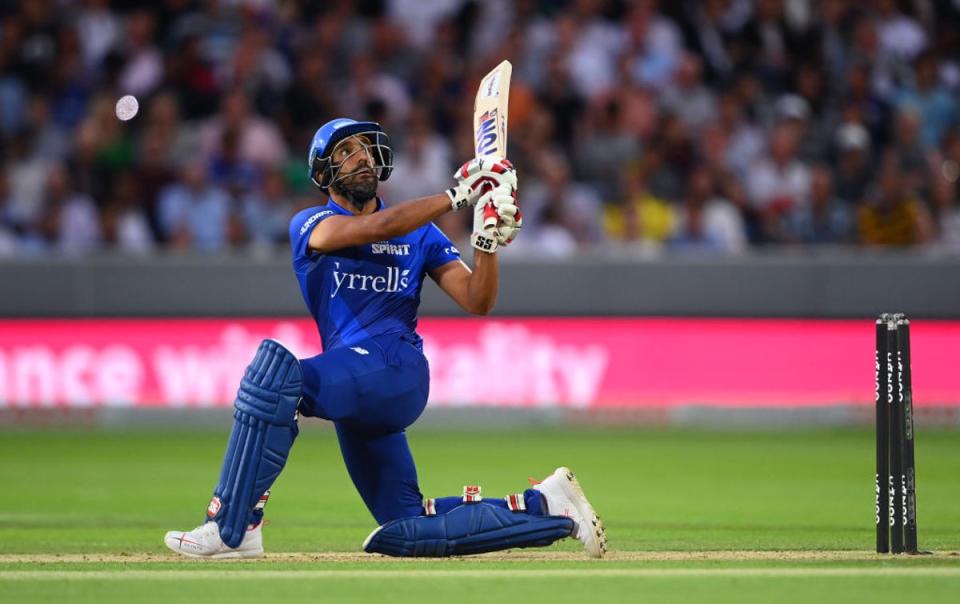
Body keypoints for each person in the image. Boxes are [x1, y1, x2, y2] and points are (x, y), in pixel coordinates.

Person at [163, 118, 607, 559]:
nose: (361, 157)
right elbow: (375, 228)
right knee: (405, 526)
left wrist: (486, 241)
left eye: (365, 148)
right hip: (358, 390)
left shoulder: (421, 233)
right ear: (323, 173)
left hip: (397, 369)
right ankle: (548, 506)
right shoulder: (310, 222)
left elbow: (478, 300)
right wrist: (455, 197)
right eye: (345, 152)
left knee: (273, 375)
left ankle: (231, 527)